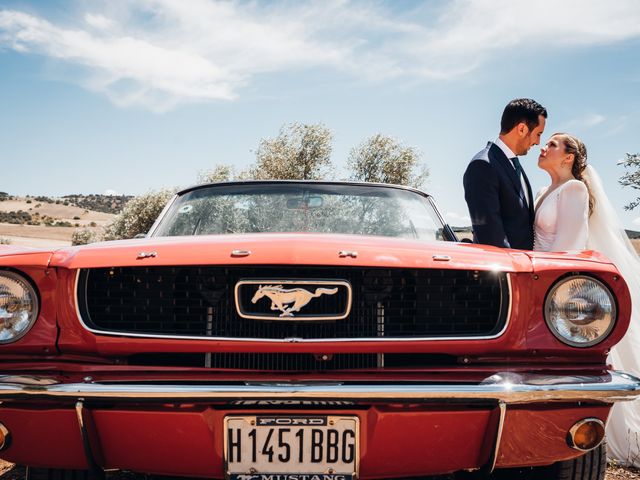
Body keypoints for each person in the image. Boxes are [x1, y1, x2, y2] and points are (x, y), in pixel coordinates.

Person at [534, 132, 640, 466]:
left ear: (568, 157)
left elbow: (570, 245)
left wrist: (547, 290)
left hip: (551, 285)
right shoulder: (542, 191)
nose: (543, 147)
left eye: (551, 144)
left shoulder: (575, 189)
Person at [464, 98, 547, 249]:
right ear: (522, 129)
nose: (538, 142)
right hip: (505, 269)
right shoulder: (483, 166)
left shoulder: (514, 165)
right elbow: (489, 236)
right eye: (538, 134)